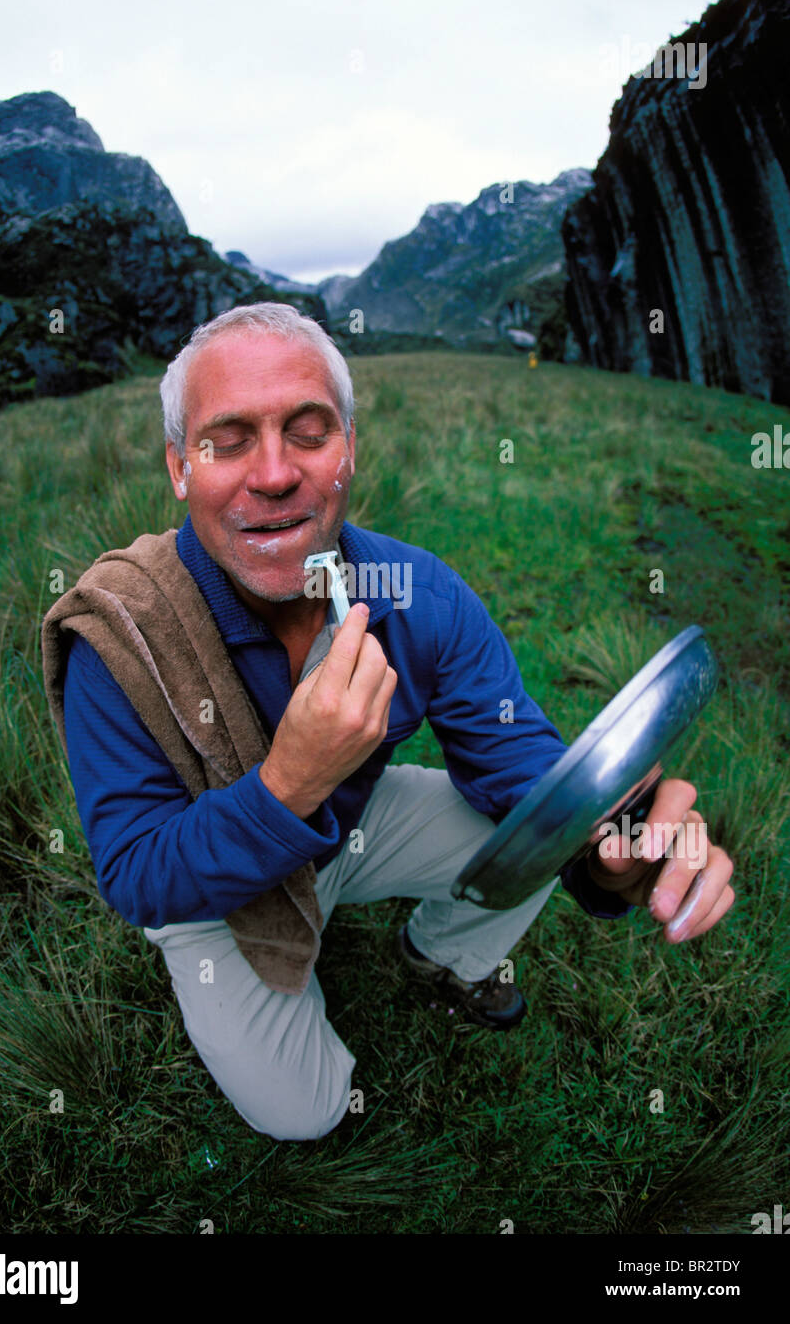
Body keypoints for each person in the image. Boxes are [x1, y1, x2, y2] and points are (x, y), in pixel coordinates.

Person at [44, 302, 735, 1142]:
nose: (272, 473)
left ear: (350, 451)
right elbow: (139, 875)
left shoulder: (420, 595)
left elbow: (524, 770)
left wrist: (610, 838)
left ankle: (444, 958)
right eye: (226, 439)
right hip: (213, 893)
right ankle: (291, 967)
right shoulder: (120, 633)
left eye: (309, 432)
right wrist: (291, 782)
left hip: (354, 828)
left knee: (530, 832)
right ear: (179, 467)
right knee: (306, 1110)